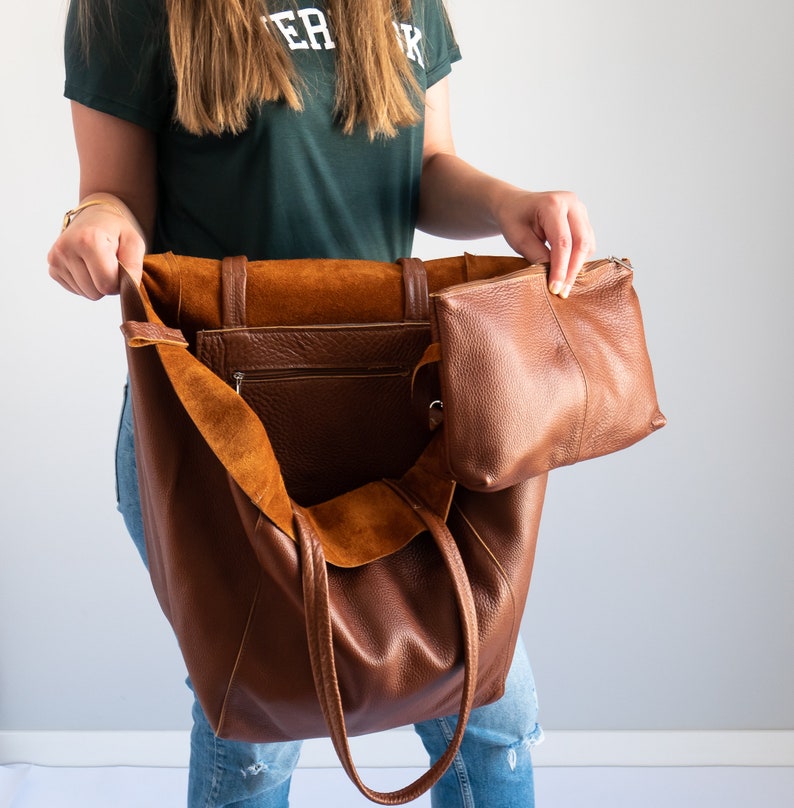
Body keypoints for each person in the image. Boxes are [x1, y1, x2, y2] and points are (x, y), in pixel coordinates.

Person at [47, 1, 595, 805]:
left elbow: (427, 165)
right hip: (219, 423)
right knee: (263, 733)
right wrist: (91, 226)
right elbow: (112, 193)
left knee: (489, 703)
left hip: (395, 407)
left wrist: (508, 204)